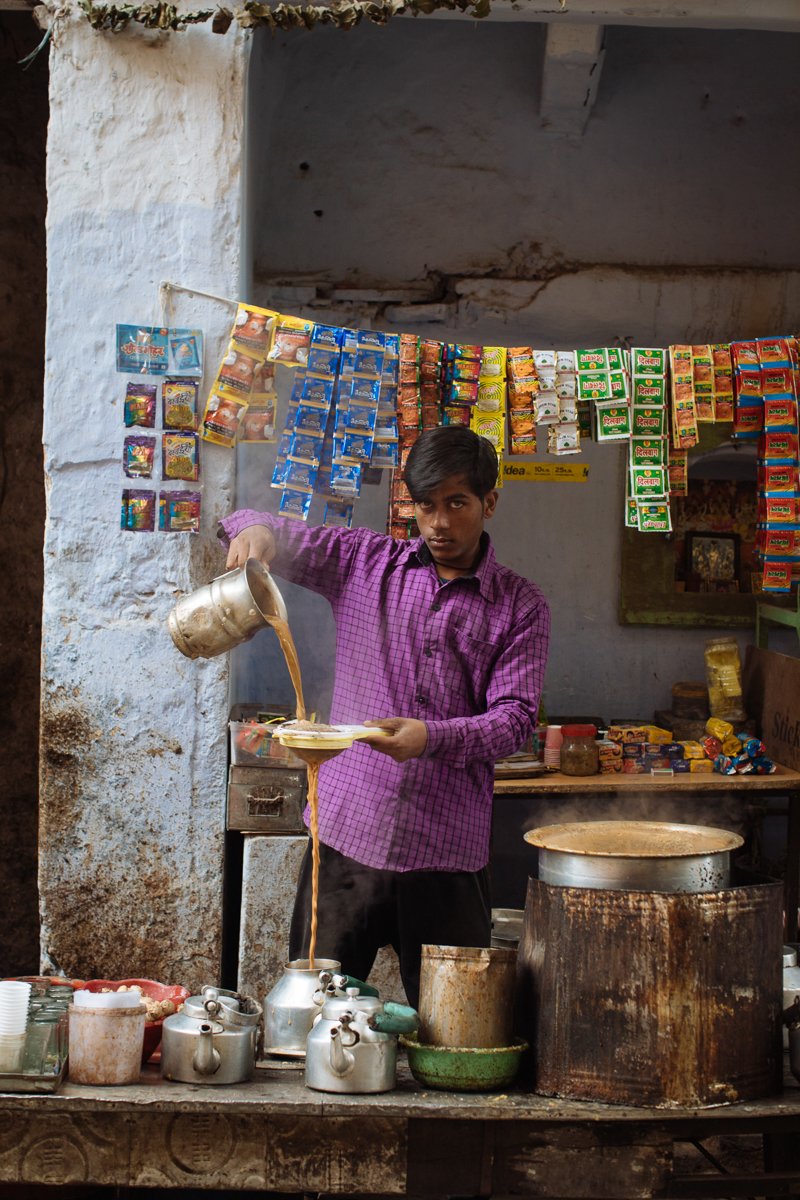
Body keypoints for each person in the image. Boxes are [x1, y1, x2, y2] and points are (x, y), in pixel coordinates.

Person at [220, 425, 550, 1006]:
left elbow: (516, 719)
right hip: (347, 836)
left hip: (446, 850)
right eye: (426, 506)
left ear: (488, 503)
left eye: (457, 503)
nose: (440, 523)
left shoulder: (520, 606)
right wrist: (253, 529)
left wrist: (433, 738)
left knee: (455, 1031)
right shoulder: (367, 563)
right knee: (315, 1020)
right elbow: (269, 527)